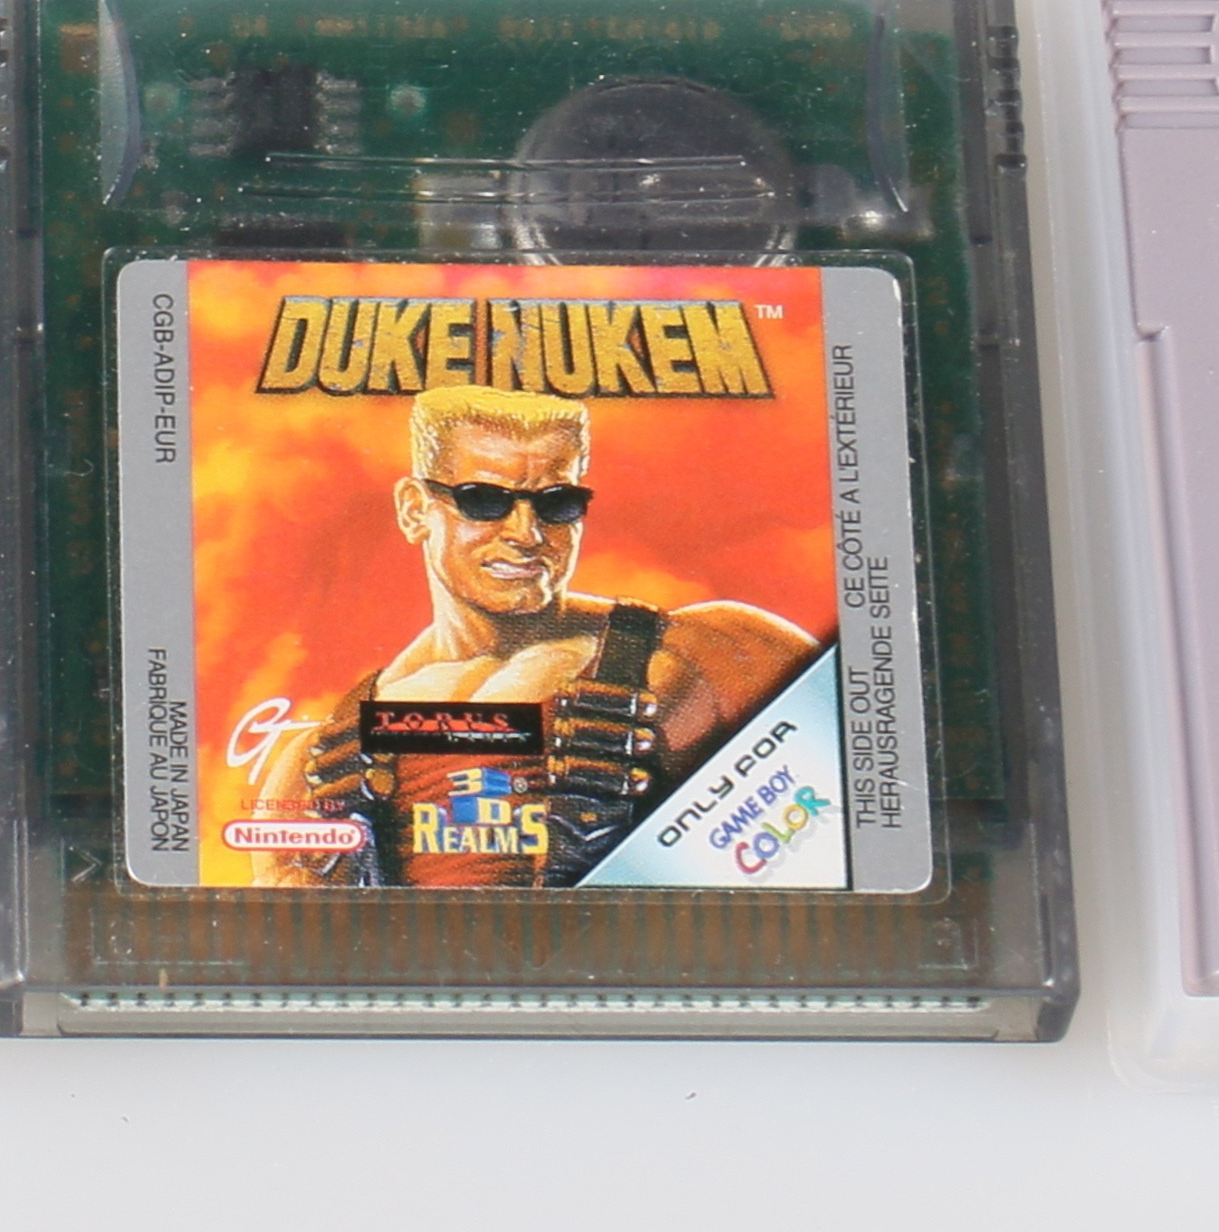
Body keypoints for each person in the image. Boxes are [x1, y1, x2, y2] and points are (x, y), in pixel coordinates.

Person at [239, 380, 816, 887]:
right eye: (484, 501)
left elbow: (836, 832)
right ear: (415, 510)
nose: (526, 533)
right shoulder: (318, 760)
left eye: (557, 504)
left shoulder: (714, 653)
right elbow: (306, 949)